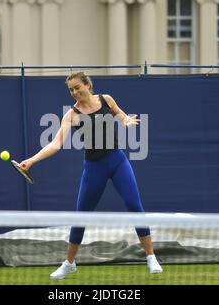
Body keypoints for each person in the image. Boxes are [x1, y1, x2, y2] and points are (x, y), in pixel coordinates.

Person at [19, 72, 162, 279]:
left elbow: (120, 114)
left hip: (118, 161)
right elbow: (55, 144)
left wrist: (126, 120)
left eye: (77, 87)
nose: (75, 92)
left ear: (87, 85)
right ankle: (69, 263)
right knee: (81, 216)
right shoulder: (72, 115)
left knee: (134, 205)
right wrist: (31, 160)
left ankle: (151, 257)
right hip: (94, 168)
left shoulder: (106, 99)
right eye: (71, 90)